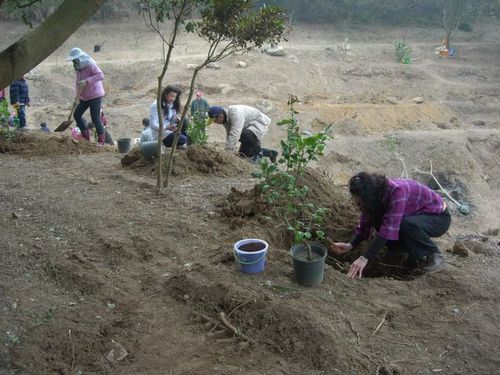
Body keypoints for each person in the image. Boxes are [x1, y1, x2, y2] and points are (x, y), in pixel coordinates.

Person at [331, 172, 451, 278]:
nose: (355, 201)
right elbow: (366, 222)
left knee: (405, 224)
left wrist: (364, 258)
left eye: (357, 199)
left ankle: (433, 255)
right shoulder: (375, 196)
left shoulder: (397, 192)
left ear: (367, 196)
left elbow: (388, 229)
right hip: (416, 217)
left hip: (439, 218)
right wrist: (351, 245)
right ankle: (407, 254)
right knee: (378, 220)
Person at [207, 105, 278, 163]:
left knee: (246, 134)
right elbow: (230, 134)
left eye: (215, 120)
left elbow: (235, 134)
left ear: (220, 116)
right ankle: (270, 153)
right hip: (247, 128)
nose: (215, 122)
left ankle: (258, 154)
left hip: (259, 122)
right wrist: (229, 151)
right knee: (243, 155)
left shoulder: (235, 113)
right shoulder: (225, 119)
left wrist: (227, 153)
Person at [67, 47, 106, 145]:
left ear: (80, 58)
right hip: (85, 96)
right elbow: (78, 83)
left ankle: (101, 141)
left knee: (95, 117)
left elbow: (101, 75)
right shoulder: (77, 68)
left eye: (75, 60)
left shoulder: (90, 64)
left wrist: (87, 81)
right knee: (77, 114)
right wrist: (77, 96)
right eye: (73, 61)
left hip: (95, 95)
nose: (74, 62)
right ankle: (85, 135)